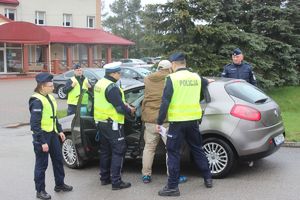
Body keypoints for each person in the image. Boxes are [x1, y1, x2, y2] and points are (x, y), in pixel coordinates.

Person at [156, 53, 213, 197]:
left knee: (173, 153)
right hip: (193, 121)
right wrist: (208, 81)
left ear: (174, 64)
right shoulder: (196, 77)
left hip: (177, 123)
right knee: (197, 149)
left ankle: (172, 187)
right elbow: (204, 84)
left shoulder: (172, 79)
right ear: (184, 63)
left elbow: (165, 102)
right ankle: (208, 178)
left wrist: (159, 121)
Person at [141, 60, 187, 184]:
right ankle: (173, 176)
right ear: (169, 69)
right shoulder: (170, 79)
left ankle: (146, 175)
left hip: (149, 118)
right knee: (171, 149)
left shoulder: (147, 79)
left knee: (149, 148)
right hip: (165, 119)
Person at [29, 72, 73, 200]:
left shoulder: (49, 97)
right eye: (50, 86)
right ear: (42, 86)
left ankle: (60, 184)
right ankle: (40, 190)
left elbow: (54, 117)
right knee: (41, 165)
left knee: (58, 160)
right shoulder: (37, 100)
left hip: (53, 134)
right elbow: (35, 124)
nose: (53, 88)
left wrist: (60, 131)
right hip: (42, 136)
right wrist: (42, 142)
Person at [93, 62, 136, 190]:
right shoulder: (112, 87)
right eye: (119, 73)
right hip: (113, 124)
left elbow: (110, 101)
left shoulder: (100, 83)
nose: (120, 75)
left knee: (105, 151)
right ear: (113, 74)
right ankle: (116, 182)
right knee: (119, 151)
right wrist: (130, 111)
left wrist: (124, 105)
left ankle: (104, 178)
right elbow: (119, 107)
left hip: (101, 122)